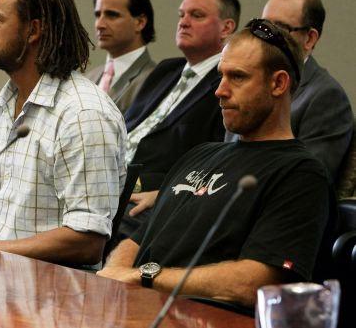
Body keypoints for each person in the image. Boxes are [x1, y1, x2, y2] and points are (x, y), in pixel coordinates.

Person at [98, 19, 331, 307]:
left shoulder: (300, 175)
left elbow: (256, 282)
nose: (220, 90)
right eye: (221, 76)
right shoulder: (199, 155)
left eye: (238, 77)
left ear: (278, 83)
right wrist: (115, 273)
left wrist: (144, 278)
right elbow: (139, 239)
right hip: (131, 306)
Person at [0, 0, 126, 266]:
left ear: (33, 30)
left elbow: (88, 240)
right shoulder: (8, 99)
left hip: (46, 292)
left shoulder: (84, 115)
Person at [118, 0, 239, 238]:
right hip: (108, 178)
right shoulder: (166, 70)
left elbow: (215, 161)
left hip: (150, 194)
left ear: (227, 28)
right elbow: (128, 128)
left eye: (196, 16)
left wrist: (163, 192)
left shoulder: (227, 86)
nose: (184, 22)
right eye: (181, 15)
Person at [227, 0, 352, 184]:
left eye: (280, 29)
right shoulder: (245, 82)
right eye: (263, 28)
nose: (265, 39)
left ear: (309, 39)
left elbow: (308, 180)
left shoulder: (326, 96)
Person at [86, 0, 156, 114]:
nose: (100, 24)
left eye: (112, 15)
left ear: (140, 22)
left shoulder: (155, 81)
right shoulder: (89, 78)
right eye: (97, 15)